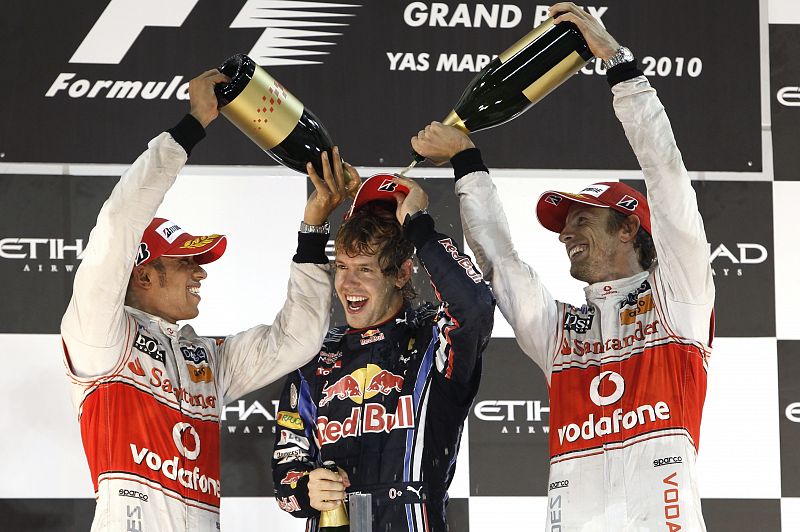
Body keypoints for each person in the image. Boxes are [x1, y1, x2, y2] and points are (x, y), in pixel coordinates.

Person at [411, 3, 714, 530]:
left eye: (581, 219)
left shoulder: (678, 299)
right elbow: (498, 264)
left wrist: (620, 67)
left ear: (628, 228)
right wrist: (466, 162)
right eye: (563, 225)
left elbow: (667, 180)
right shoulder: (561, 334)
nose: (566, 232)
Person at [60, 69, 358, 531]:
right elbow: (119, 223)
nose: (200, 272)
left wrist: (314, 228)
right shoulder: (101, 334)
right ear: (143, 274)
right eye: (185, 262)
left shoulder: (205, 358)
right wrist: (192, 125)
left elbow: (296, 339)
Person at [271, 173, 495, 531]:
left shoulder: (433, 340)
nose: (347, 284)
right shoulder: (316, 354)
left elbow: (475, 305)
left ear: (402, 274)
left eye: (365, 269)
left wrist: (419, 226)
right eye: (342, 267)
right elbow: (287, 466)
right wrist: (306, 487)